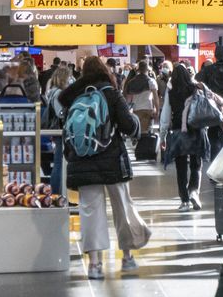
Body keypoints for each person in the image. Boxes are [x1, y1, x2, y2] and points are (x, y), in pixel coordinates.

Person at [58, 56, 150, 280]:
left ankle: (95, 264)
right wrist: (137, 126)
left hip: (82, 161)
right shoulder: (110, 92)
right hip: (111, 159)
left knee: (90, 212)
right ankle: (127, 256)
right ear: (103, 71)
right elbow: (128, 125)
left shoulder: (73, 96)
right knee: (122, 207)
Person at [160, 64, 223, 211]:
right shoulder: (196, 88)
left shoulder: (171, 92)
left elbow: (165, 115)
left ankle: (184, 201)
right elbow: (208, 105)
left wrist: (163, 136)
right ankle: (194, 192)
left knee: (181, 167)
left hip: (179, 132)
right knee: (196, 165)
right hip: (198, 130)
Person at [44, 65, 73, 194]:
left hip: (58, 131)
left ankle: (60, 193)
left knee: (60, 162)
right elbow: (60, 113)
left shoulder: (52, 91)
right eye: (69, 78)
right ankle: (57, 193)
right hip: (60, 131)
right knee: (60, 163)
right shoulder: (58, 93)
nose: (71, 80)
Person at [124, 61, 160, 135]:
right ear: (147, 70)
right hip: (148, 109)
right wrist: (157, 110)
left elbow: (128, 100)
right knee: (146, 132)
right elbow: (156, 98)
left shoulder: (131, 82)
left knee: (138, 132)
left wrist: (127, 112)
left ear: (138, 70)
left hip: (136, 110)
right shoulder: (151, 81)